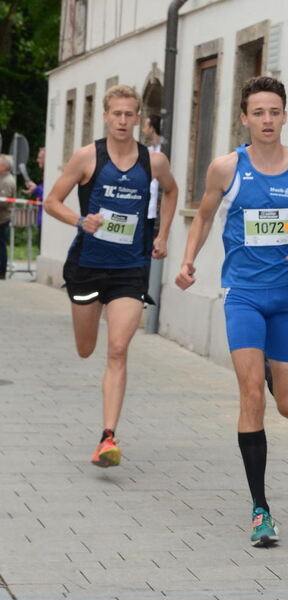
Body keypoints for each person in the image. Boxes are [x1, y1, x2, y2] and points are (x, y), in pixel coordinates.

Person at [176, 75, 288, 547]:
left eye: (275, 111)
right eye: (258, 112)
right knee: (251, 395)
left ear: (285, 116)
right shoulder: (227, 168)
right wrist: (188, 260)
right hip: (243, 294)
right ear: (245, 118)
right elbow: (204, 215)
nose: (267, 120)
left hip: (286, 299)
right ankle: (260, 509)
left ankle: (271, 368)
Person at [45, 85, 178, 467]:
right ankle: (87, 331)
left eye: (129, 114)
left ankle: (107, 437)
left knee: (118, 349)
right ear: (106, 116)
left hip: (130, 270)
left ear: (139, 117)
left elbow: (171, 192)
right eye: (116, 114)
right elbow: (52, 201)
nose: (122, 121)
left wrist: (163, 235)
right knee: (86, 349)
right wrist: (80, 220)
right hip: (87, 267)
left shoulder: (154, 162)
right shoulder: (88, 157)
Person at [141, 115, 161, 220]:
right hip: (147, 209)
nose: (143, 130)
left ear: (152, 128)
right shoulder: (147, 151)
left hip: (158, 209)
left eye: (145, 126)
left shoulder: (163, 151)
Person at [0, 154, 16, 279]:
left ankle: (1, 272)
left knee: (1, 245)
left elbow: (4, 201)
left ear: (5, 166)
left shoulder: (7, 181)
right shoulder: (3, 178)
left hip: (2, 218)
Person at [24, 147, 45, 231]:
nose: (37, 160)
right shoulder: (46, 173)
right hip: (42, 217)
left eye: (40, 158)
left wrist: (36, 188)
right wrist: (35, 188)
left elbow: (48, 193)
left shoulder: (49, 173)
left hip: (45, 218)